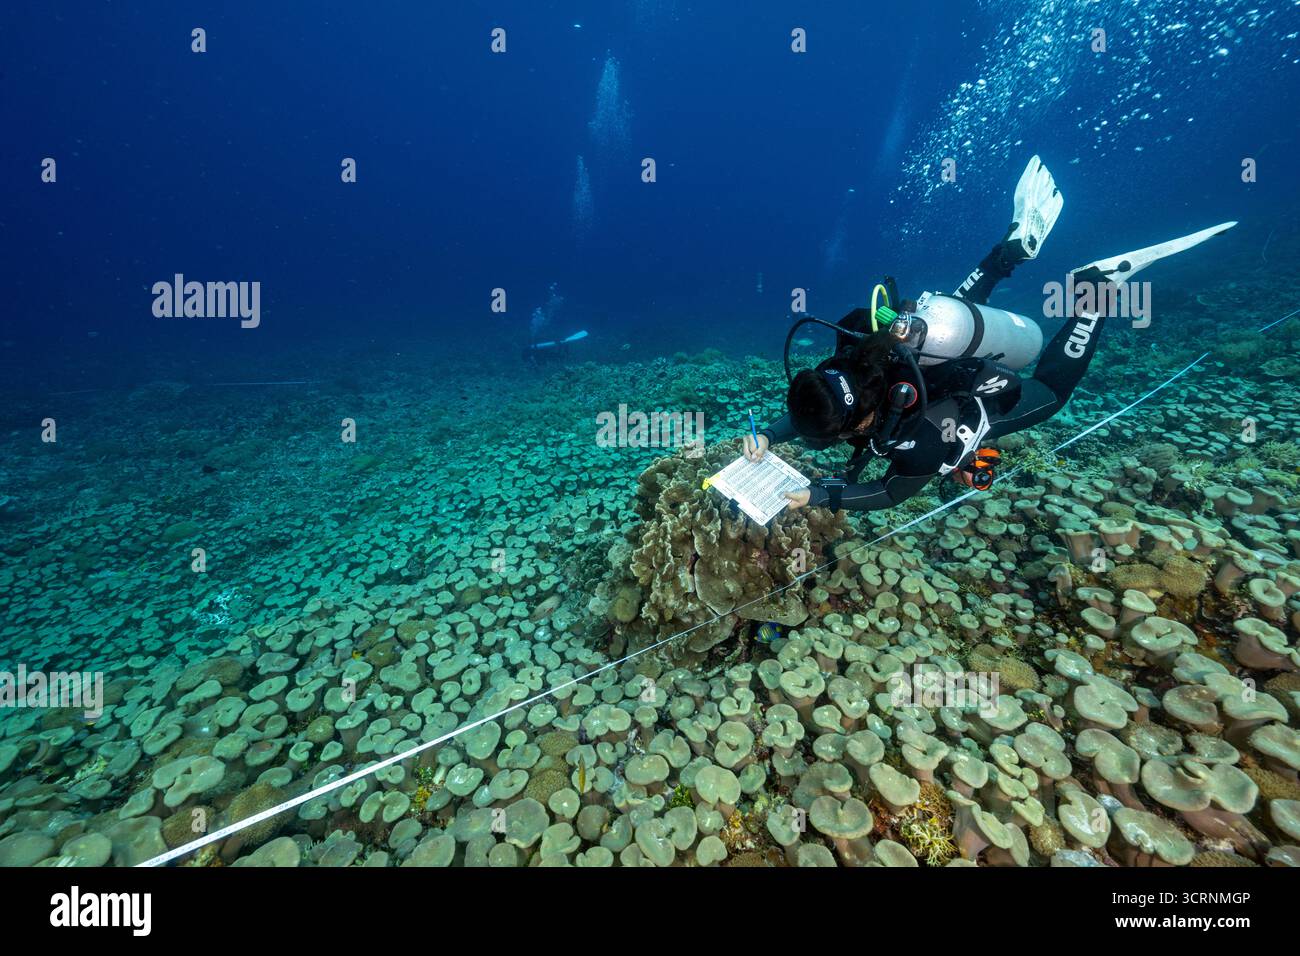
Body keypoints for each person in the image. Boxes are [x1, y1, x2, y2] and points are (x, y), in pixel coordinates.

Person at [745, 156, 1234, 513]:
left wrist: (823, 496)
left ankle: (1095, 294)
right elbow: (813, 408)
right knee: (939, 322)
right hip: (933, 353)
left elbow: (890, 491)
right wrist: (769, 433)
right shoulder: (854, 352)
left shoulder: (919, 437)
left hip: (976, 393)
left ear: (859, 420)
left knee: (1053, 393)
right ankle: (1008, 252)